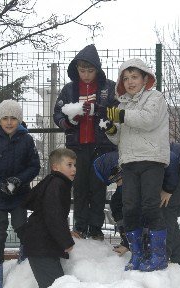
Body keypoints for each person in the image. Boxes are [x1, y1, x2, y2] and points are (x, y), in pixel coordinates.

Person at [94, 143, 180, 270]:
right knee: (167, 211)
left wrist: (168, 189)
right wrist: (127, 242)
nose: (118, 183)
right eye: (114, 182)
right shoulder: (129, 165)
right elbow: (127, 209)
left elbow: (171, 157)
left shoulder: (135, 158)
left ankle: (162, 258)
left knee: (165, 208)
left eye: (116, 179)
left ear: (118, 168)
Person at [103, 58, 169, 272]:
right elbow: (117, 138)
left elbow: (148, 120)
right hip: (129, 161)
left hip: (152, 159)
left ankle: (158, 256)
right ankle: (138, 255)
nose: (130, 81)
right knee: (129, 207)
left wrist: (121, 115)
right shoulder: (122, 105)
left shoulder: (155, 98)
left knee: (150, 205)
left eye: (134, 77)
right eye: (126, 78)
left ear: (145, 79)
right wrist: (110, 129)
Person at [53, 44, 118, 240]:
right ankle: (80, 228)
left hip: (103, 146)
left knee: (98, 187)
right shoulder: (69, 89)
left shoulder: (109, 87)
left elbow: (118, 112)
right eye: (82, 70)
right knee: (79, 187)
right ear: (76, 69)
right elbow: (57, 114)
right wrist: (70, 121)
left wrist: (99, 110)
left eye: (90, 70)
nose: (86, 75)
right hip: (76, 147)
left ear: (97, 70)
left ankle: (96, 229)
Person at [0, 99, 41, 288]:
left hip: (19, 195)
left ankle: (24, 256)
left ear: (19, 120)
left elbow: (34, 166)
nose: (9, 122)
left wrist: (18, 180)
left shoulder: (27, 140)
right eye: (5, 118)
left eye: (14, 118)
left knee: (22, 226)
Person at [18, 148, 77, 288]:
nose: (74, 169)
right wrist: (66, 242)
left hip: (42, 244)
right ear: (55, 167)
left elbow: (48, 212)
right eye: (69, 165)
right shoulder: (57, 184)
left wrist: (65, 234)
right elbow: (53, 215)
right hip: (41, 247)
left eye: (75, 165)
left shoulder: (53, 182)